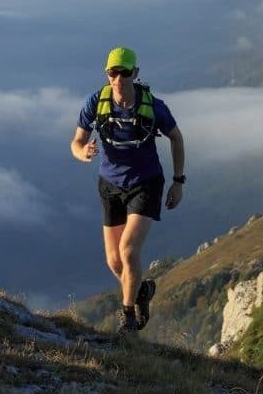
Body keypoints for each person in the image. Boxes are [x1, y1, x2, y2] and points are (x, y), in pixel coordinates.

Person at [70, 46, 185, 334]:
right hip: (110, 186)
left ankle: (128, 317)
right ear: (107, 74)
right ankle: (141, 291)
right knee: (113, 261)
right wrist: (82, 152)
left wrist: (178, 181)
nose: (118, 78)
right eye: (113, 72)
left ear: (135, 73)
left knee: (128, 250)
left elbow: (176, 138)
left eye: (124, 72)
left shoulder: (154, 106)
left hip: (145, 184)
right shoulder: (96, 103)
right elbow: (76, 141)